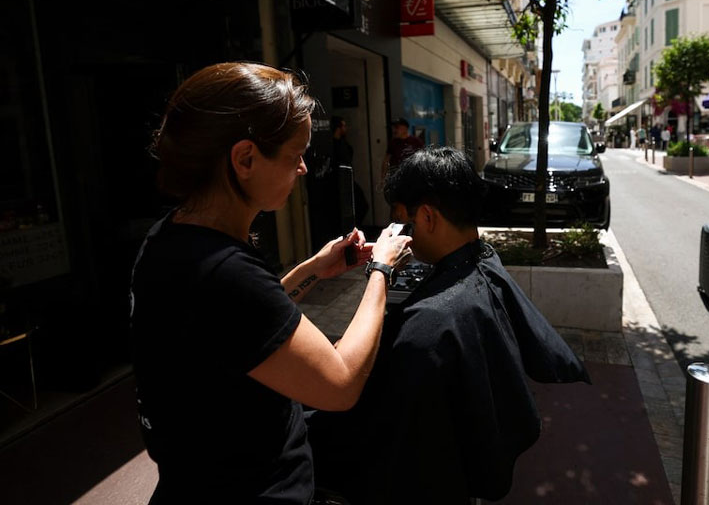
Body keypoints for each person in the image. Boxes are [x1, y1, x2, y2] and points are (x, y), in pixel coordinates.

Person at [129, 62, 412, 503]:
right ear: (244, 158)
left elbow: (246, 328)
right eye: (294, 154)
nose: (302, 168)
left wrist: (314, 269)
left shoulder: (173, 236)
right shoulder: (225, 272)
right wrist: (382, 270)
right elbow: (338, 385)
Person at [308, 147, 590, 504]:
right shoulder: (486, 264)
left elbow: (365, 421)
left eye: (403, 223)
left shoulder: (431, 323)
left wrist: (378, 273)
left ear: (426, 217)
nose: (400, 237)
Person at [331, 115, 369, 226]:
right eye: (344, 126)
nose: (346, 128)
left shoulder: (342, 142)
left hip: (348, 179)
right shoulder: (335, 144)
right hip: (341, 180)